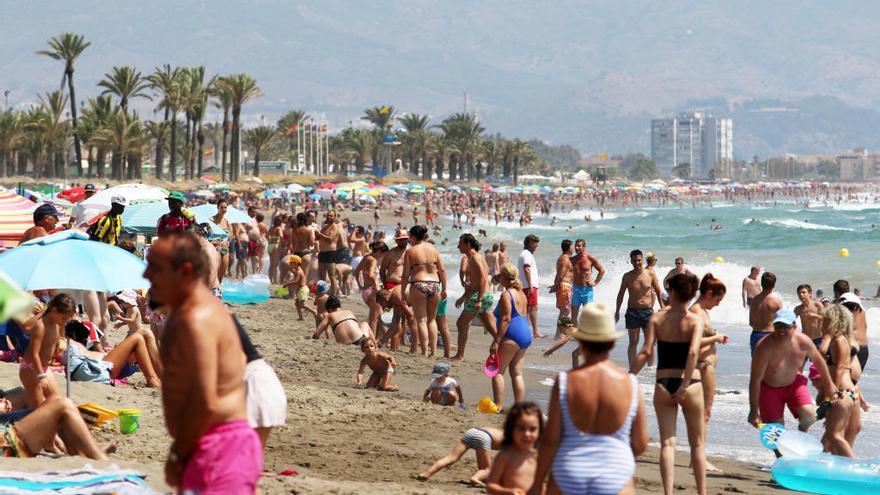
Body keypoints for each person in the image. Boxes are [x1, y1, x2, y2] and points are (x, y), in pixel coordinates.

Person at [144, 231, 262, 492]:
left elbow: (204, 401)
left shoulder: (197, 320)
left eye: (155, 268)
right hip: (205, 443)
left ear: (184, 271)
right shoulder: (184, 315)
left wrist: (178, 453)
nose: (145, 276)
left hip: (220, 447)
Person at [530, 303, 647, 495]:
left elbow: (550, 440)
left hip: (571, 472)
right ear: (611, 342)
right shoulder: (631, 384)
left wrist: (536, 484)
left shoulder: (566, 381)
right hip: (614, 476)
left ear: (582, 340)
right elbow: (640, 443)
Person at [630, 273, 705, 495]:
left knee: (667, 444)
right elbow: (693, 352)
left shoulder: (657, 318)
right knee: (698, 445)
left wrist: (628, 376)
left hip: (663, 383)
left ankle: (667, 493)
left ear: (672, 292)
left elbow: (645, 352)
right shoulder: (695, 320)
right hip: (691, 383)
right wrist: (683, 385)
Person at [749, 308, 836, 433]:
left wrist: (829, 385)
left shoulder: (804, 342)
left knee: (809, 417)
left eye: (785, 327)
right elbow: (755, 380)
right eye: (778, 326)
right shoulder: (763, 347)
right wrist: (753, 410)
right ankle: (782, 452)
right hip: (770, 388)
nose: (781, 331)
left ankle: (801, 434)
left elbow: (819, 361)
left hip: (794, 384)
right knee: (775, 433)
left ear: (794, 326)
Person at [689, 274, 729, 473]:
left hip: (707, 366)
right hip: (703, 366)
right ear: (709, 293)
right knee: (704, 413)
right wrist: (716, 336)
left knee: (704, 413)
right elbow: (692, 342)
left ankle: (696, 457)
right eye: (718, 299)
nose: (718, 304)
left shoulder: (702, 311)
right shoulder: (696, 311)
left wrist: (714, 336)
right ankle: (699, 458)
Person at [0, 395, 112, 460]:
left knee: (54, 399)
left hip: (4, 434)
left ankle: (83, 455)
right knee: (63, 405)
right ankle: (101, 461)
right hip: (4, 445)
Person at [236, 318, 287, 450]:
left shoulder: (201, 317)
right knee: (246, 462)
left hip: (252, 388)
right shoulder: (215, 312)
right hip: (264, 384)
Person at [815, 304, 857, 457]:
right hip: (847, 392)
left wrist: (831, 394)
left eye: (825, 320)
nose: (822, 323)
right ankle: (822, 466)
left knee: (834, 435)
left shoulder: (838, 340)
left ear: (834, 320)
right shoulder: (841, 339)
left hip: (842, 392)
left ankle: (854, 468)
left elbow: (839, 369)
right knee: (827, 438)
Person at [490, 263, 532, 410]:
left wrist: (496, 341)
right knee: (517, 373)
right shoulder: (522, 293)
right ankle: (519, 408)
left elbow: (506, 319)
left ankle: (498, 405)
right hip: (525, 333)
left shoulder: (506, 294)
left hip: (512, 333)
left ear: (504, 277)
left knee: (498, 372)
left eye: (500, 275)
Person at [615, 249, 665, 369]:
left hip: (647, 312)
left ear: (642, 259)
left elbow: (658, 291)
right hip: (632, 312)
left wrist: (663, 308)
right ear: (631, 261)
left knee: (651, 342)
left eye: (639, 260)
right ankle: (632, 369)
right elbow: (620, 294)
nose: (637, 263)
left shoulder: (650, 274)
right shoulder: (627, 276)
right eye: (634, 261)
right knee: (633, 342)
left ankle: (650, 368)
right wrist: (617, 311)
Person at [401, 225, 446, 356]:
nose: (409, 239)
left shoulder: (410, 251)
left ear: (414, 237)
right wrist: (445, 288)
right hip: (435, 285)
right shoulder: (433, 249)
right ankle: (434, 351)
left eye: (410, 237)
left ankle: (425, 351)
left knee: (421, 320)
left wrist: (403, 291)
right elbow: (442, 270)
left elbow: (405, 275)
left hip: (419, 284)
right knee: (432, 320)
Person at [453, 234, 497, 361]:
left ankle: (460, 355)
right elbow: (475, 282)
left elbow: (483, 278)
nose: (458, 246)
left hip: (480, 295)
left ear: (468, 245)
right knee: (493, 330)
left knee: (461, 323)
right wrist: (463, 297)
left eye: (460, 243)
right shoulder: (472, 258)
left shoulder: (475, 258)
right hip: (482, 294)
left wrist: (479, 300)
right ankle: (502, 350)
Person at [417, 426, 504, 486]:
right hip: (485, 437)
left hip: (472, 431)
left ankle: (426, 474)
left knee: (451, 457)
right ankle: (475, 478)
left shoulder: (503, 432)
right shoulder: (514, 441)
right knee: (486, 469)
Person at [486, 402, 542, 495]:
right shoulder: (505, 456)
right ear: (511, 429)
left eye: (532, 429)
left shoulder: (538, 457)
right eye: (521, 428)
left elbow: (541, 484)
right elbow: (490, 485)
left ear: (540, 430)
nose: (527, 434)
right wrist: (508, 492)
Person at [354, 241, 388, 340]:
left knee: (381, 317)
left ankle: (385, 340)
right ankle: (371, 340)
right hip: (373, 291)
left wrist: (360, 286)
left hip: (365, 291)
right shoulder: (373, 260)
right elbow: (371, 274)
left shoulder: (365, 257)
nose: (382, 256)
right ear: (379, 251)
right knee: (373, 319)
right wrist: (377, 287)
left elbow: (356, 272)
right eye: (383, 254)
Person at [834, 281, 869, 373]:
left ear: (836, 292)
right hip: (864, 348)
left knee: (843, 382)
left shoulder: (845, 301)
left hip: (852, 348)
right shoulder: (858, 302)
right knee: (851, 384)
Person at [569, 239, 605, 326]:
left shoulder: (590, 258)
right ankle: (575, 335)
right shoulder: (572, 259)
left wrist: (595, 282)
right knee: (573, 316)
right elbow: (564, 271)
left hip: (587, 290)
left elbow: (602, 270)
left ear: (584, 247)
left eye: (579, 246)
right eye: (576, 246)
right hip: (575, 289)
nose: (577, 248)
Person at [517, 234, 545, 340]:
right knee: (533, 307)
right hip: (528, 285)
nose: (537, 246)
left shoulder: (524, 253)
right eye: (535, 243)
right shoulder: (527, 254)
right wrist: (530, 285)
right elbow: (527, 269)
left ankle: (525, 331)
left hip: (525, 285)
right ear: (529, 243)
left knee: (528, 309)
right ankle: (535, 331)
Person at [748, 272, 782, 354]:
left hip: (756, 335)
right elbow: (781, 323)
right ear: (774, 285)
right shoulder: (777, 301)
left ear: (761, 283)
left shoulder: (754, 300)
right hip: (770, 335)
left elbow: (751, 322)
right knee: (772, 365)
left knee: (757, 364)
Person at [316, 210, 346, 296]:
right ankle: (322, 293)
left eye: (331, 216)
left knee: (331, 275)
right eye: (328, 216)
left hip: (330, 253)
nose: (329, 217)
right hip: (322, 253)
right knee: (321, 275)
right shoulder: (324, 227)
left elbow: (330, 239)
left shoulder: (335, 227)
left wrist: (320, 234)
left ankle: (333, 294)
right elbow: (319, 238)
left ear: (335, 217)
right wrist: (316, 234)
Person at [550, 240, 573, 338]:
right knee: (565, 311)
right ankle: (559, 334)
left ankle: (561, 333)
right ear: (569, 248)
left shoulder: (564, 258)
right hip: (565, 287)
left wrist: (555, 285)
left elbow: (558, 274)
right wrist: (556, 286)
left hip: (565, 286)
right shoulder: (565, 259)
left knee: (565, 311)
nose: (573, 248)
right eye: (572, 246)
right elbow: (560, 274)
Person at [285, 255, 315, 320]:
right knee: (297, 304)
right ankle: (301, 317)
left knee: (301, 305)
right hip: (300, 289)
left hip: (303, 289)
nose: (290, 264)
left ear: (295, 263)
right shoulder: (296, 270)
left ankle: (314, 311)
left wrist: (287, 283)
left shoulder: (299, 271)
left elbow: (296, 281)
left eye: (291, 263)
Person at [210, 199, 232, 283]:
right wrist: (214, 241)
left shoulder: (227, 221)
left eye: (225, 207)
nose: (224, 209)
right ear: (217, 208)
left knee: (221, 274)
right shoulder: (212, 220)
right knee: (214, 273)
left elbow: (230, 235)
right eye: (221, 207)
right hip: (215, 248)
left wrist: (229, 240)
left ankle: (218, 293)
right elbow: (207, 234)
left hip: (225, 248)